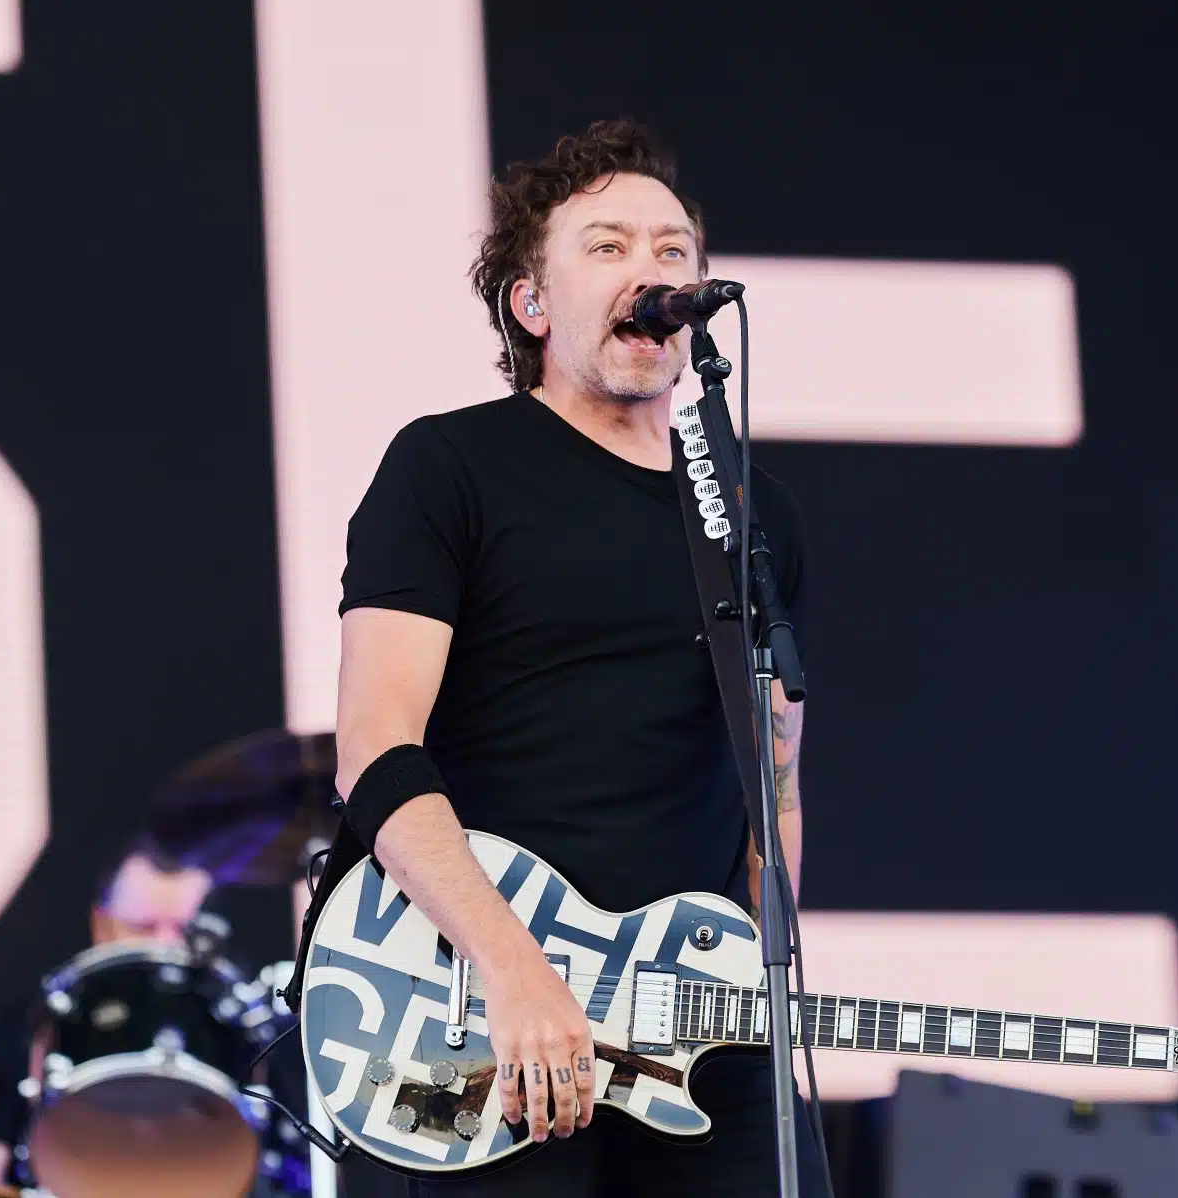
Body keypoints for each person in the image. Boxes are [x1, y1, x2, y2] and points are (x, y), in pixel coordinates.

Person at [332, 119, 825, 1196]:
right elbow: (375, 747)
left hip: (698, 1028)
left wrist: (764, 973)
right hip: (482, 1015)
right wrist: (514, 967)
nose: (650, 270)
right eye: (607, 247)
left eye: (671, 249)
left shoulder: (753, 514)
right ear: (533, 304)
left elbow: (774, 781)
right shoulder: (450, 466)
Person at [0, 837, 215, 1191]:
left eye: (184, 930)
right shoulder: (33, 1029)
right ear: (101, 924)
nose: (165, 946)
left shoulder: (236, 1035)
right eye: (143, 928)